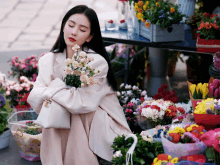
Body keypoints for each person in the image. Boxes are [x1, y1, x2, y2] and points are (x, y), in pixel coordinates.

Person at [27, 5, 132, 165]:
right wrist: (58, 93)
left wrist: (51, 90)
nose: (74, 32)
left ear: (89, 37)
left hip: (99, 125)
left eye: (82, 29)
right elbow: (35, 99)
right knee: (57, 109)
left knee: (72, 111)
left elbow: (82, 103)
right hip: (65, 120)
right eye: (70, 25)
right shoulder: (48, 60)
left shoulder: (95, 62)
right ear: (63, 26)